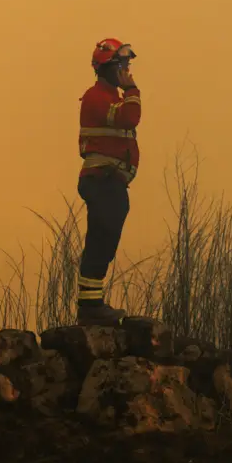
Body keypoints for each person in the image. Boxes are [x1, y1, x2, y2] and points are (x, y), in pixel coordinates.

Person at [74, 38, 141, 325]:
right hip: (101, 181)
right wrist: (132, 90)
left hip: (110, 183)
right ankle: (89, 308)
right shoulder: (98, 97)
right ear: (108, 67)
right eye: (122, 65)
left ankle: (93, 304)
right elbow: (130, 118)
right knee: (101, 240)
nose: (126, 70)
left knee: (105, 241)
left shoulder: (110, 96)